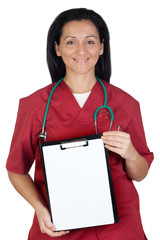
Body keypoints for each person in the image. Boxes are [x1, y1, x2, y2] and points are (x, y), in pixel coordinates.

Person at [6, 8, 153, 240]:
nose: (81, 50)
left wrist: (131, 154)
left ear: (102, 47)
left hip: (118, 225)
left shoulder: (126, 103)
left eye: (90, 41)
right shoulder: (35, 105)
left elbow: (140, 173)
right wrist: (41, 209)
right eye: (71, 42)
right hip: (57, 223)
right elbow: (16, 169)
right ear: (57, 48)